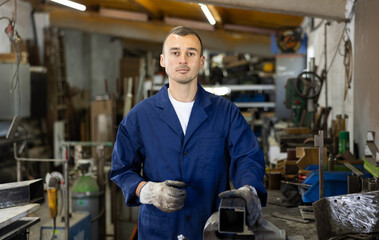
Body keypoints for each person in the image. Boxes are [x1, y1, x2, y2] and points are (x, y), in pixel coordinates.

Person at [110, 26, 267, 239]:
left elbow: (247, 156)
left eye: (190, 53)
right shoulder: (139, 116)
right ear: (163, 60)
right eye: (175, 53)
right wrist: (148, 191)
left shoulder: (226, 112)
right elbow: (122, 169)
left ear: (201, 62)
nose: (183, 60)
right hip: (159, 231)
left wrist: (249, 188)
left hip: (211, 228)